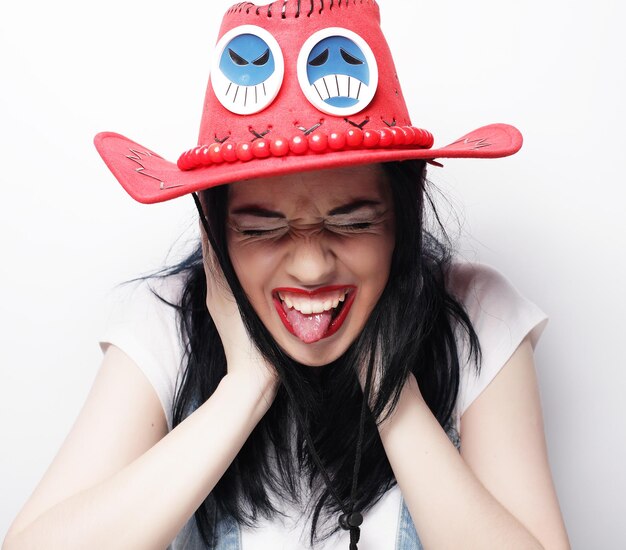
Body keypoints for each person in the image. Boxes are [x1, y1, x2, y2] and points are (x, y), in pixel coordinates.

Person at [3, 1, 570, 549]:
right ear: (215, 231)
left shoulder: (477, 310)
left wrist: (392, 394)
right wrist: (243, 388)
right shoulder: (168, 318)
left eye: (352, 223)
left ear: (402, 215)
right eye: (262, 229)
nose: (310, 265)